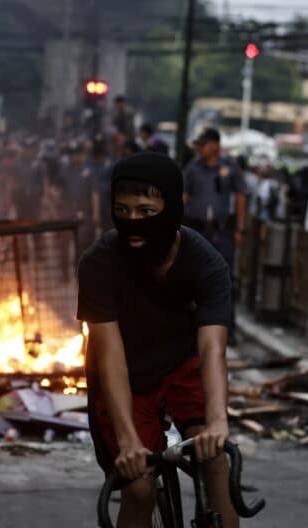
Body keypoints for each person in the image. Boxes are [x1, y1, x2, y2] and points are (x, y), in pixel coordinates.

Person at [78, 152, 239, 528]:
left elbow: (212, 349)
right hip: (126, 375)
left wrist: (217, 423)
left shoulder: (206, 263)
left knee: (215, 459)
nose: (133, 221)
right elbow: (109, 354)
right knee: (138, 486)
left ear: (173, 207)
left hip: (182, 363)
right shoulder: (99, 263)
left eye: (146, 211)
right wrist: (128, 441)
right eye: (123, 210)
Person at [183, 128, 246, 343]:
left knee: (225, 277)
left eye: (204, 144)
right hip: (197, 229)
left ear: (215, 146)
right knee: (194, 277)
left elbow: (241, 197)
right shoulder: (192, 169)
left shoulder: (230, 168)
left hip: (222, 230)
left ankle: (228, 329)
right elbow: (184, 196)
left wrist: (239, 228)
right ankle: (195, 327)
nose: (201, 149)